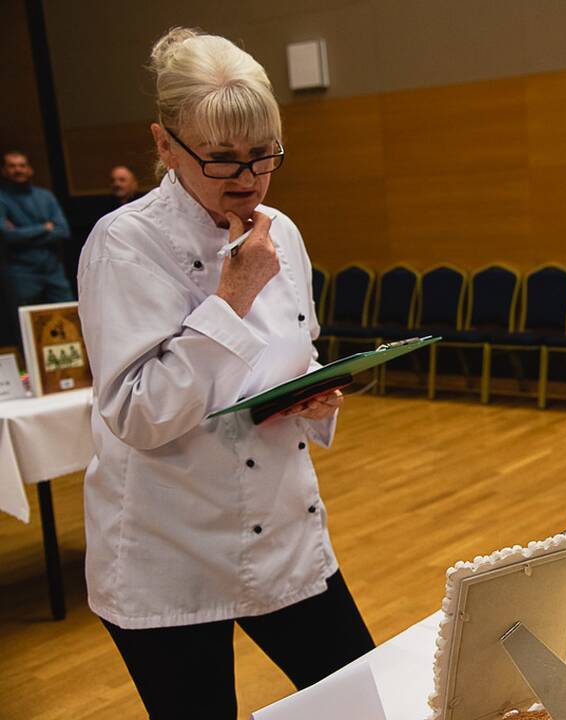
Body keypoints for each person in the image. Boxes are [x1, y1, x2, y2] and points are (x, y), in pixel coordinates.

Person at [77, 28, 374, 718]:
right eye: (220, 160)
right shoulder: (124, 244)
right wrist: (231, 296)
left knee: (361, 702)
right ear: (164, 145)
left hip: (282, 531)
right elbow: (136, 412)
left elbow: (293, 350)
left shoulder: (283, 231)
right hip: (168, 548)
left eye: (262, 156)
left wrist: (316, 390)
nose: (247, 179)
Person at [0, 150, 75, 306]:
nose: (18, 170)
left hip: (53, 271)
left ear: (30, 169)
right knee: (25, 323)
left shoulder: (46, 196)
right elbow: (6, 236)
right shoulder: (2, 199)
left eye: (22, 165)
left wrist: (21, 233)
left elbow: (62, 231)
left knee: (66, 315)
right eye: (12, 166)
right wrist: (44, 228)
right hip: (21, 273)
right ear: (4, 171)